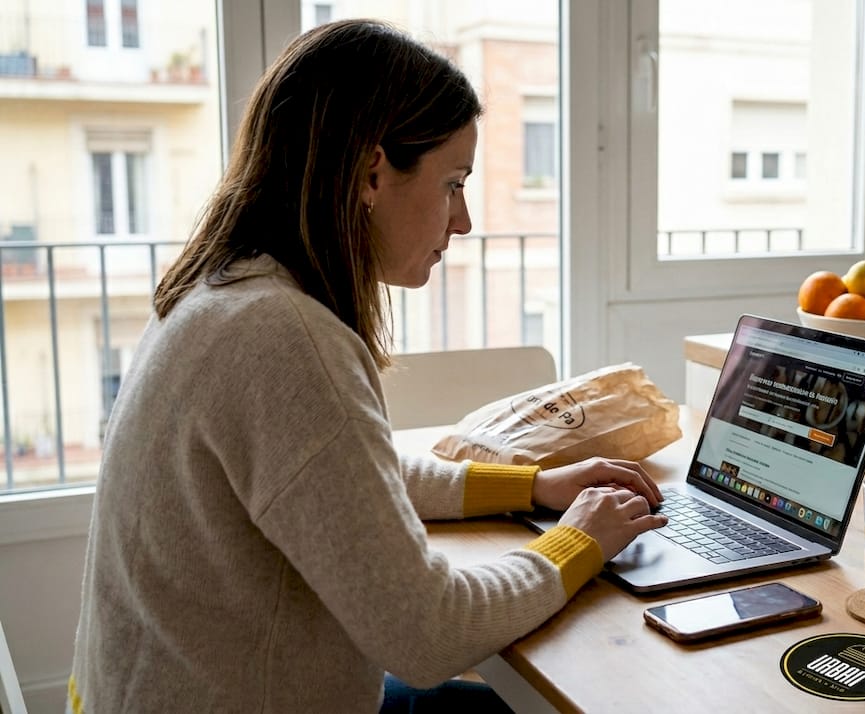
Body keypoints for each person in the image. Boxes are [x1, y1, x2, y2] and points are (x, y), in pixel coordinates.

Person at [68, 19, 668, 714]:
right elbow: (426, 632)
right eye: (453, 183)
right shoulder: (281, 338)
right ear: (371, 173)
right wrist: (578, 543)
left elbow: (339, 480)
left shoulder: (220, 292)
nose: (464, 219)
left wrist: (531, 486)